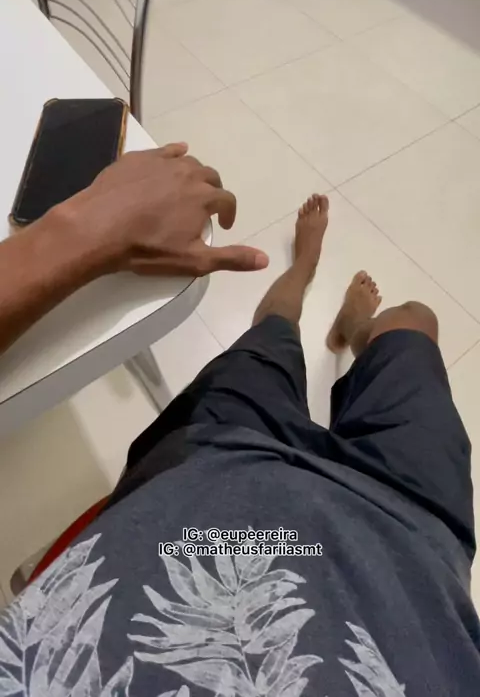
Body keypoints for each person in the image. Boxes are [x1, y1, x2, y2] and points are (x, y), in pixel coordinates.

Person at [0, 145, 478, 696]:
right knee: (415, 321)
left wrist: (76, 234)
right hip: (411, 533)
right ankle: (344, 315)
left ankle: (311, 283)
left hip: (216, 466)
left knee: (275, 332)